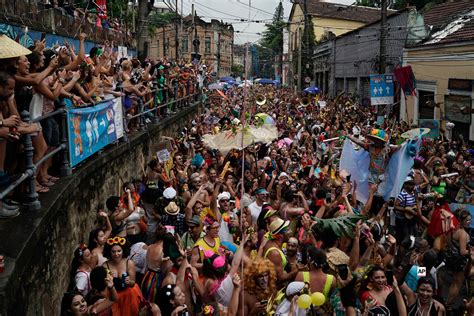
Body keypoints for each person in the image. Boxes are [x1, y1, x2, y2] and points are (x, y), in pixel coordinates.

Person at [102, 236, 143, 316]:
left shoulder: (129, 263)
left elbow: (133, 283)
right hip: (113, 297)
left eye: (119, 251)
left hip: (129, 296)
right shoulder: (105, 265)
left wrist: (129, 281)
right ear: (109, 252)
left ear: (123, 251)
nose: (116, 254)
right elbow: (103, 287)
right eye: (113, 251)